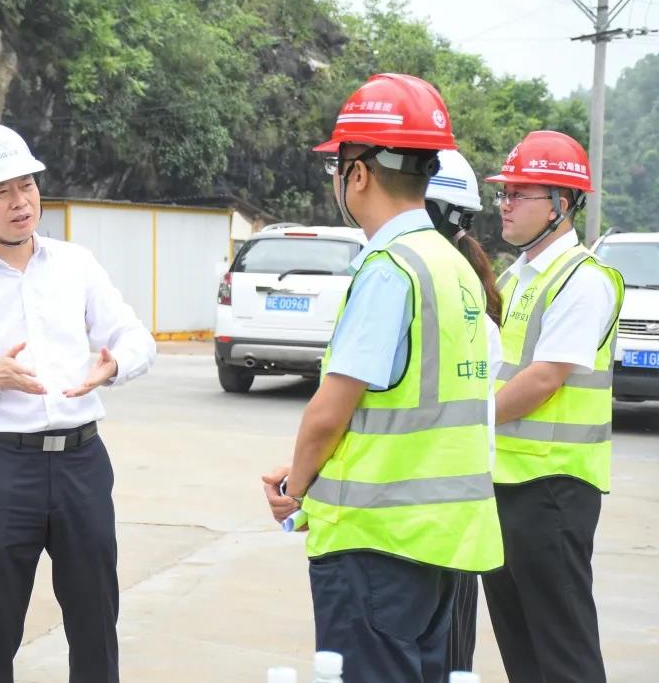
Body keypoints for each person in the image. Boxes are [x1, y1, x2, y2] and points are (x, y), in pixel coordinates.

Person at [261, 74, 503, 683]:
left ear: (359, 173)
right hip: (439, 540)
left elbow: (331, 409)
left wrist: (296, 485)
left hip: (377, 540)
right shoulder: (452, 265)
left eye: (338, 167)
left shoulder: (389, 268)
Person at [0, 121, 156, 683]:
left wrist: (114, 364)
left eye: (27, 185)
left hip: (82, 463)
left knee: (95, 617)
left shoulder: (75, 264)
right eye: (1, 192)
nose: (20, 202)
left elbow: (137, 338)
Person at [481, 131, 623, 683]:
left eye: (520, 194)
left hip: (554, 490)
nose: (506, 204)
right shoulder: (516, 277)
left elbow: (543, 379)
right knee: (521, 646)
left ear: (560, 205)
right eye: (504, 193)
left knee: (563, 651)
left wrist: (467, 421)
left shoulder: (582, 281)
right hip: (507, 481)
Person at [425, 148, 504, 673]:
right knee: (450, 661)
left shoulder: (429, 292)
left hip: (429, 523)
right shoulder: (466, 291)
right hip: (454, 519)